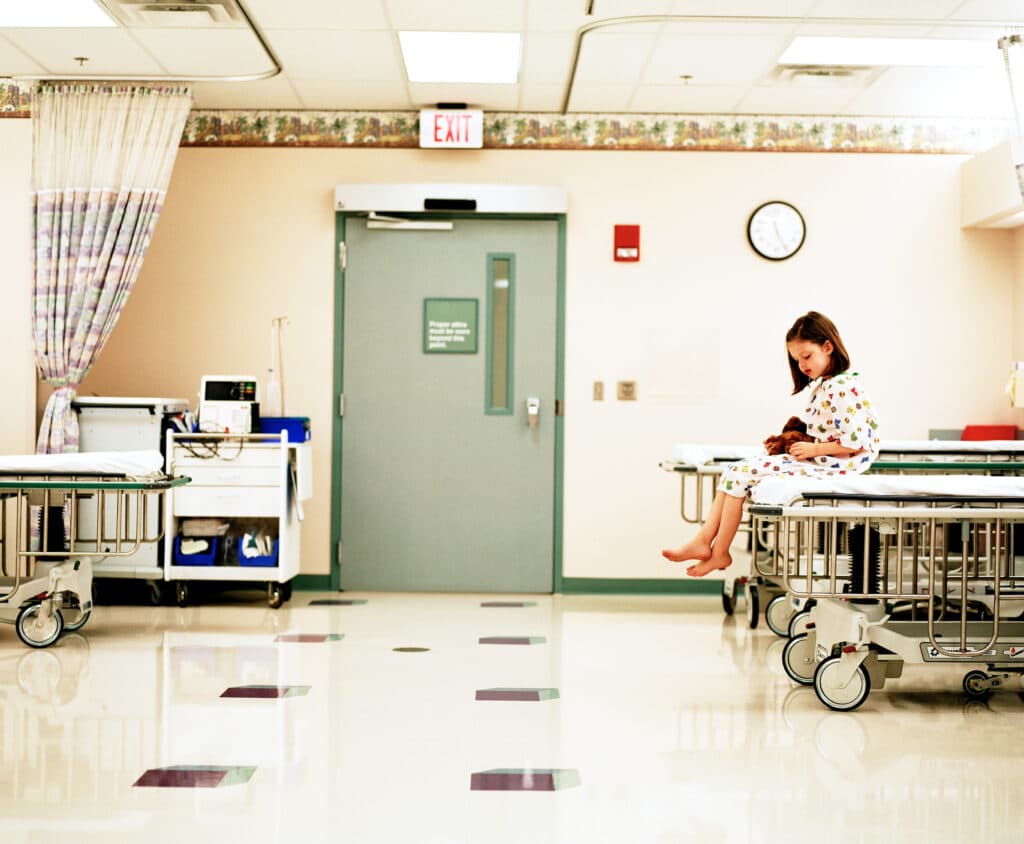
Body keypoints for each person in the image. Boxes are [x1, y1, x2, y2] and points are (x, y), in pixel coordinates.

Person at [662, 311, 880, 577]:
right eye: (797, 359)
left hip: (840, 465)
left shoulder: (841, 386)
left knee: (740, 472)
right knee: (735, 470)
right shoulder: (826, 385)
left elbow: (856, 442)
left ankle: (717, 550)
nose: (802, 365)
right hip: (828, 459)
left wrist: (814, 449)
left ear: (827, 346)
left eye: (806, 356)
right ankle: (706, 542)